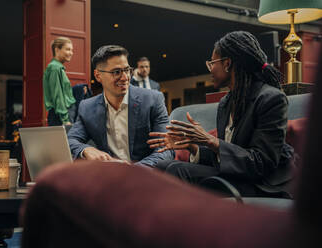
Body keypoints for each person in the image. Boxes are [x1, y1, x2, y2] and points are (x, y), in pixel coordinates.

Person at [148, 31, 294, 197]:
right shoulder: (226, 103)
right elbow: (225, 156)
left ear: (227, 63)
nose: (210, 69)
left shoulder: (271, 99)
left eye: (212, 63)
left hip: (263, 183)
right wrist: (193, 146)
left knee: (177, 170)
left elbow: (261, 163)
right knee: (161, 167)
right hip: (238, 176)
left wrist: (211, 141)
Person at [67, 45, 173, 166]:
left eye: (127, 70)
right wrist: (85, 150)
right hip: (108, 176)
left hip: (145, 175)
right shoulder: (87, 107)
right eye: (116, 72)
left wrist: (134, 170)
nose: (125, 77)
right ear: (98, 76)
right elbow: (71, 140)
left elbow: (166, 149)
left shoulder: (153, 100)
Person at [43, 37, 76, 126]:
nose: (71, 53)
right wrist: (65, 120)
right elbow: (57, 95)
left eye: (72, 50)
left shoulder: (57, 68)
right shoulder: (55, 68)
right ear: (57, 50)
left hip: (61, 114)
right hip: (61, 117)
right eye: (68, 49)